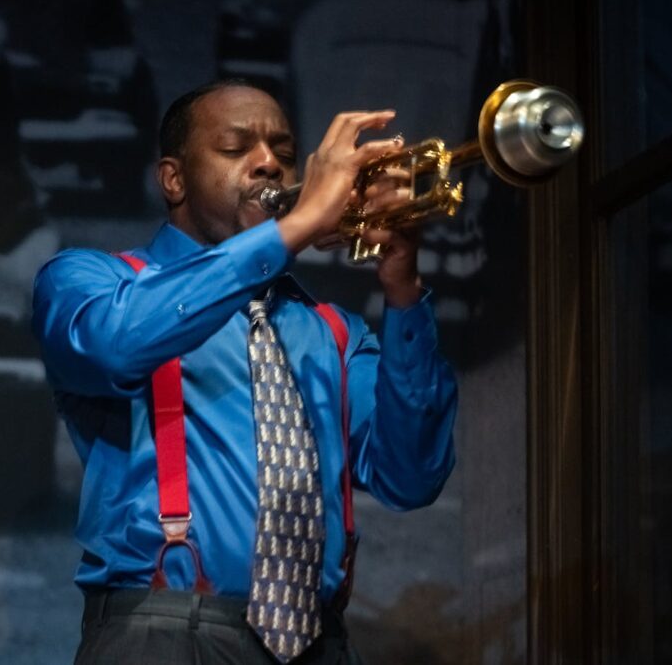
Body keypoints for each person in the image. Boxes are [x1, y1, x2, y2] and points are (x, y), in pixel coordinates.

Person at [32, 78, 458, 665]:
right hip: (163, 634)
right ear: (173, 179)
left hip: (318, 643)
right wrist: (296, 229)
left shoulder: (333, 330)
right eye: (237, 149)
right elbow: (114, 346)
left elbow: (412, 477)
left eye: (285, 155)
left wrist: (403, 287)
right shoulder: (97, 281)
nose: (268, 166)